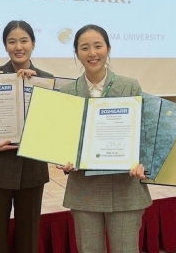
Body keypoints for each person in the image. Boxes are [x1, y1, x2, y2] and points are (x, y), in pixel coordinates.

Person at [57, 24, 150, 253]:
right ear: (76, 53)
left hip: (125, 190)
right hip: (84, 191)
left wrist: (141, 163)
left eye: (98, 46)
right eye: (84, 47)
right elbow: (63, 140)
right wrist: (63, 157)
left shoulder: (130, 86)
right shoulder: (66, 92)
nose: (92, 53)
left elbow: (144, 133)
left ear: (108, 48)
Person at [0, 20, 53, 253]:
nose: (18, 46)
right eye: (12, 41)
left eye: (24, 41)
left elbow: (53, 125)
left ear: (33, 44)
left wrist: (34, 85)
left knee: (29, 239)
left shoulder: (46, 80)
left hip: (32, 171)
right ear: (5, 45)